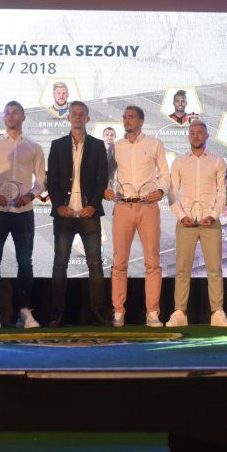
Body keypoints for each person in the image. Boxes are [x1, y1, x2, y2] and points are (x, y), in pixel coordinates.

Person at [0, 101, 46, 330]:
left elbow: (41, 181)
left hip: (23, 213)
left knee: (25, 262)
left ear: (23, 117)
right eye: (7, 112)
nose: (11, 115)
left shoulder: (34, 148)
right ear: (3, 117)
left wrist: (31, 195)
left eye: (16, 112)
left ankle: (24, 312)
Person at [102, 105, 170, 327]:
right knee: (119, 262)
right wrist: (107, 189)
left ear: (141, 121)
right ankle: (118, 312)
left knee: (152, 262)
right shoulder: (115, 147)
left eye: (131, 117)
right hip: (123, 206)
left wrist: (161, 190)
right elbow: (107, 174)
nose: (126, 120)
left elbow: (165, 173)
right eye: (124, 117)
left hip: (148, 207)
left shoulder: (154, 144)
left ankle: (153, 313)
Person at [47, 101, 110, 326]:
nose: (77, 117)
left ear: (87, 118)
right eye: (74, 113)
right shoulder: (57, 145)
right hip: (64, 214)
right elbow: (51, 180)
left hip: (89, 214)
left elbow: (103, 178)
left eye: (81, 114)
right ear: (68, 117)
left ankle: (98, 312)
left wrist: (93, 205)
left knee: (95, 264)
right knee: (60, 265)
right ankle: (57, 313)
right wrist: (58, 205)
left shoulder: (97, 145)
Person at [166, 120, 227, 327]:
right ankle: (180, 312)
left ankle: (217, 312)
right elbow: (171, 193)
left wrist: (213, 215)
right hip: (185, 222)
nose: (195, 135)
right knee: (182, 269)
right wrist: (180, 215)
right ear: (188, 136)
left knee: (214, 269)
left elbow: (223, 194)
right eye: (192, 132)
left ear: (207, 136)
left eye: (199, 132)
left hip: (210, 222)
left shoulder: (217, 161)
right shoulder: (179, 162)